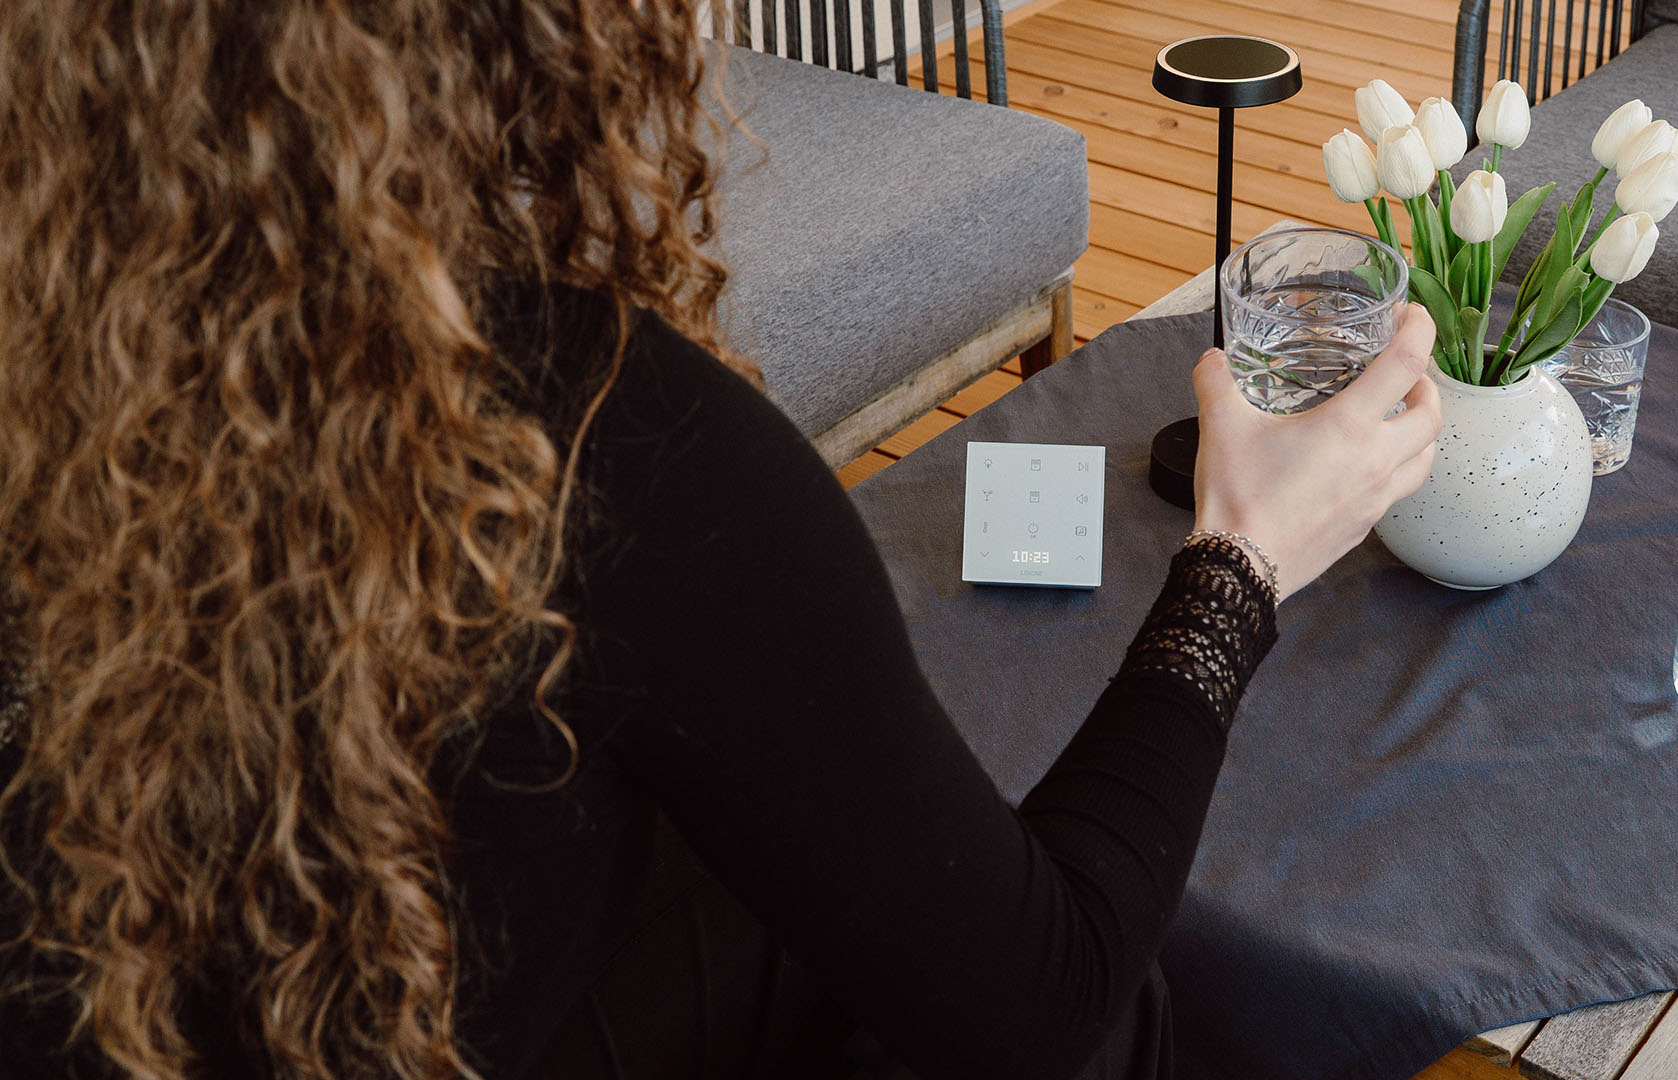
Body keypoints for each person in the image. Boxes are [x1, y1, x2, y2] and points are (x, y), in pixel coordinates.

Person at [0, 1, 1440, 1078]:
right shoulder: (597, 442)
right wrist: (1242, 558)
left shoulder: (64, 362)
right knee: (1114, 1016)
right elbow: (1043, 1007)